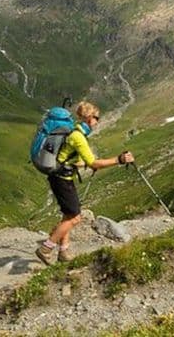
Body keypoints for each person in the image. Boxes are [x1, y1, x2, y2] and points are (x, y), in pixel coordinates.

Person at [35, 101, 134, 265]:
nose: (98, 121)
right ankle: (46, 248)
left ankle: (64, 251)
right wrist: (119, 160)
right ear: (89, 118)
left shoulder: (75, 131)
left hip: (60, 177)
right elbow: (93, 163)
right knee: (75, 218)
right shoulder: (78, 136)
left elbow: (70, 156)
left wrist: (83, 163)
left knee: (68, 214)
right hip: (62, 180)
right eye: (97, 118)